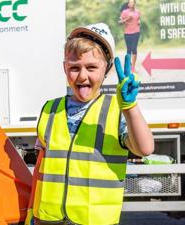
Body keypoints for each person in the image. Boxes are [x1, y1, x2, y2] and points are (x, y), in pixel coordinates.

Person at [25, 23, 154, 225]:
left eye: (91, 67)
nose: (82, 76)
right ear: (64, 68)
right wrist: (32, 215)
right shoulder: (50, 110)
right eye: (74, 68)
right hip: (48, 220)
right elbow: (41, 170)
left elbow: (145, 148)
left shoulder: (116, 109)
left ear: (107, 69)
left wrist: (130, 107)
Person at [119, 0, 141, 72]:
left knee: (134, 48)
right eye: (130, 2)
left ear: (134, 3)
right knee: (129, 50)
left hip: (136, 32)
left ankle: (133, 67)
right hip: (127, 33)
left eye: (133, 2)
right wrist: (127, 19)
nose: (131, 3)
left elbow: (138, 20)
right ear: (128, 4)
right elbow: (120, 23)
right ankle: (129, 66)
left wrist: (139, 21)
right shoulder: (124, 12)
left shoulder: (138, 11)